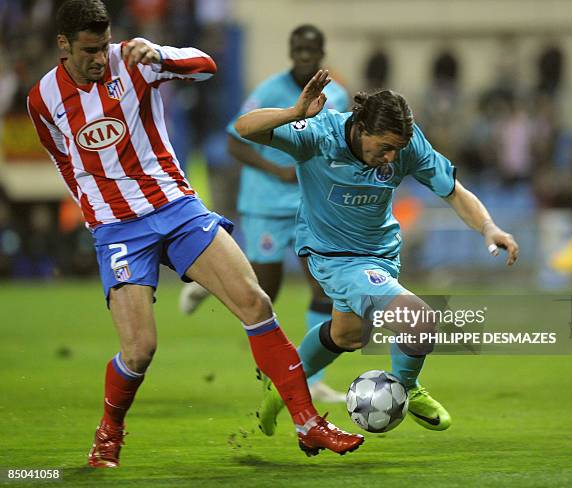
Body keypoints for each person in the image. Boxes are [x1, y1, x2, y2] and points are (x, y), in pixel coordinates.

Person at [27, 1, 363, 467]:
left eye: (103, 46)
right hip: (118, 227)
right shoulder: (42, 98)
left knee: (255, 302)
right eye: (89, 50)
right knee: (140, 349)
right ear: (63, 45)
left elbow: (206, 67)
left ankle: (307, 422)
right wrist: (92, 213)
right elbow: (63, 157)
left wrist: (160, 54)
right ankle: (109, 433)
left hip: (175, 207)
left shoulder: (133, 60)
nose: (100, 58)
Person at [234, 70, 519, 435]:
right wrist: (294, 113)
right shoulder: (320, 135)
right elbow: (245, 128)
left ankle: (283, 386)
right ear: (360, 127)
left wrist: (489, 227)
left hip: (380, 254)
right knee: (419, 320)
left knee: (348, 335)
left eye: (397, 149)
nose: (390, 157)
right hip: (334, 256)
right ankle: (406, 388)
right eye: (384, 146)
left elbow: (453, 191)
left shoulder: (405, 145)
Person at [180, 24, 349, 402]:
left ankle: (314, 378)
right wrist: (276, 170)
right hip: (267, 204)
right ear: (291, 51)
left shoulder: (336, 95)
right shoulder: (270, 91)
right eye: (298, 48)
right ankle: (211, 284)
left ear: (321, 52)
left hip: (311, 206)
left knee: (323, 289)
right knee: (263, 291)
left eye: (311, 49)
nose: (304, 55)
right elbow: (234, 142)